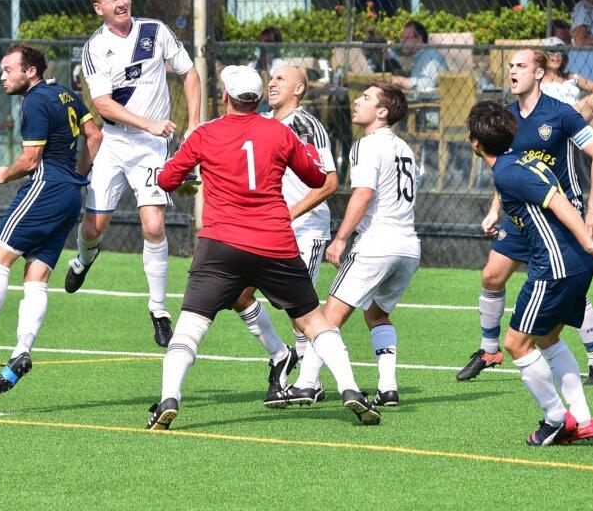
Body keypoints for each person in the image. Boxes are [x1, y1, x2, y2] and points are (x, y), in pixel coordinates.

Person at [146, 65, 380, 430]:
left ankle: (169, 398)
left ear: (226, 97)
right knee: (314, 321)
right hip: (274, 241)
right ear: (257, 99)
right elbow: (317, 176)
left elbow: (166, 179)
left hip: (220, 244)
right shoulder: (279, 131)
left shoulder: (206, 133)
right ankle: (349, 388)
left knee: (191, 324)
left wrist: (193, 170)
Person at [0, 43, 103, 395]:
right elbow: (95, 135)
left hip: (44, 188)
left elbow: (31, 160)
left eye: (8, 70)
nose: (2, 76)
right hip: (70, 195)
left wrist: (5, 174)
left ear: (30, 71)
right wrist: (77, 175)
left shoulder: (34, 101)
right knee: (37, 276)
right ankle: (21, 352)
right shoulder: (66, 94)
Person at [466, 100, 593, 445]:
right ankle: (583, 419)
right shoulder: (522, 161)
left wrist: (588, 242)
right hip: (574, 264)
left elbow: (559, 203)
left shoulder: (507, 172)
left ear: (475, 143)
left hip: (556, 266)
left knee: (516, 344)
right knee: (548, 339)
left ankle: (555, 419)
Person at [457, 47, 593, 386]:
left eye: (521, 66)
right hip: (523, 217)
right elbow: (508, 171)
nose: (513, 71)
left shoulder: (562, 114)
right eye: (510, 66)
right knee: (491, 277)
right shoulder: (506, 120)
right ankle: (488, 351)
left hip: (561, 211)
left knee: (567, 287)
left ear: (539, 73)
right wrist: (495, 209)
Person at [65, 0, 201, 348]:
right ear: (100, 9)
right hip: (114, 143)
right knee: (93, 229)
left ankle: (159, 310)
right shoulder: (95, 47)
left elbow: (190, 73)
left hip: (151, 147)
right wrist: (148, 123)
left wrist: (194, 124)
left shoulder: (155, 31)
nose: (122, 2)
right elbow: (103, 104)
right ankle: (83, 260)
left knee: (154, 226)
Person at [266, 82, 419, 410]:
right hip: (408, 248)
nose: (357, 101)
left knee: (326, 319)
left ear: (382, 112)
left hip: (376, 244)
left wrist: (340, 238)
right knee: (377, 315)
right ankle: (388, 388)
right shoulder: (405, 148)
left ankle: (306, 384)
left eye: (366, 98)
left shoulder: (367, 144)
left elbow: (363, 193)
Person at [229, 64, 340, 398]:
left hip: (304, 228)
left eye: (281, 78)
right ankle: (281, 354)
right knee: (238, 295)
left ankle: (310, 381)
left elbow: (329, 182)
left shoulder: (306, 125)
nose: (272, 82)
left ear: (299, 89)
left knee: (300, 308)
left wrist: (288, 214)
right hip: (265, 229)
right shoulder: (261, 122)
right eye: (271, 78)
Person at [542, 37, 593, 148]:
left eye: (560, 51)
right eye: (552, 51)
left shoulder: (570, 77)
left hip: (576, 115)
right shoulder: (538, 79)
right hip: (555, 118)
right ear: (544, 55)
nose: (556, 55)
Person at [390, 20, 447, 92]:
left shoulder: (432, 57)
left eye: (406, 38)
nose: (402, 41)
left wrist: (401, 80)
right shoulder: (418, 56)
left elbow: (430, 84)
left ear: (419, 39)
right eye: (402, 37)